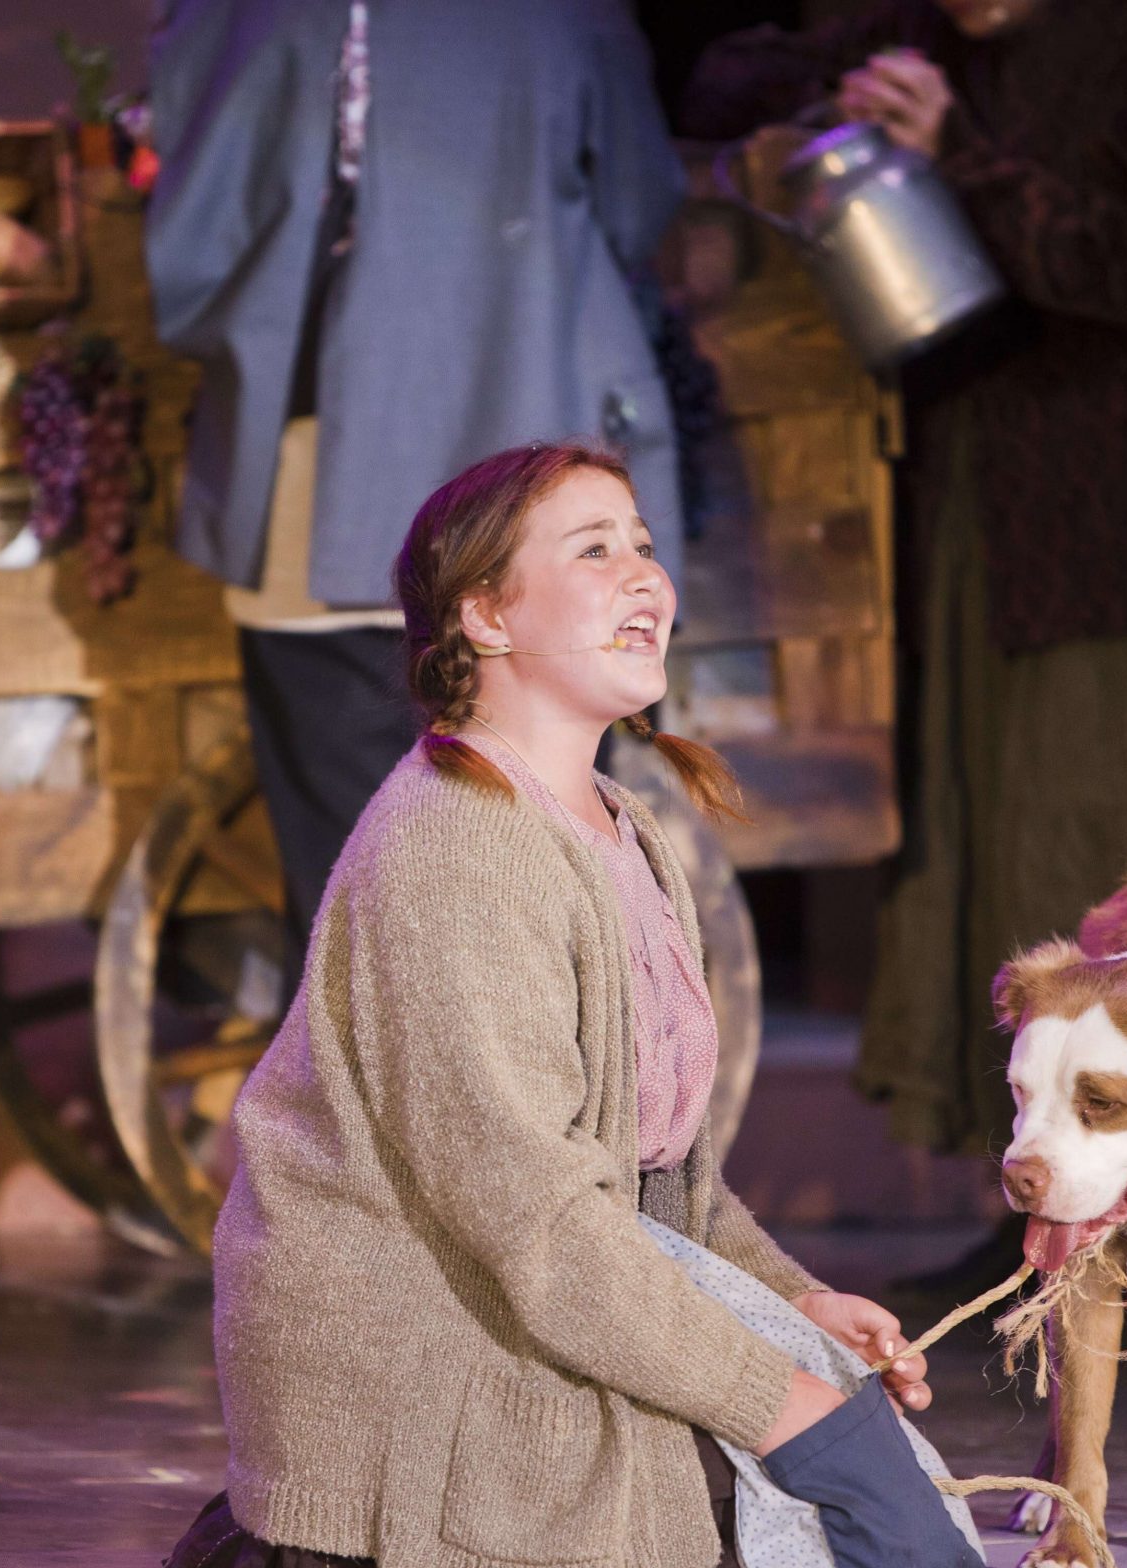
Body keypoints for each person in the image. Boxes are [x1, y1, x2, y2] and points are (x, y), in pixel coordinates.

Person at [148, 444, 957, 1568]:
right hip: (437, 1342)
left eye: (643, 544)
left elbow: (655, 1179)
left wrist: (795, 1303)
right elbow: (535, 1219)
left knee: (907, 1541)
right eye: (593, 549)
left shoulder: (621, 827)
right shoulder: (455, 846)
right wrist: (778, 1398)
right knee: (814, 1545)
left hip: (547, 1286)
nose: (644, 576)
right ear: (483, 614)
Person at [683, 0, 1127, 1294]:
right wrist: (837, 94)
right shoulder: (936, 33)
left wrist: (962, 155)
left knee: (1111, 861)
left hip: (1118, 536)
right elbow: (726, 77)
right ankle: (1045, 1210)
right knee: (1001, 858)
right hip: (979, 525)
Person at [145, 1, 688, 969]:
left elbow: (195, 247)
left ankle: (385, 1062)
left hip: (331, 491)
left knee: (348, 898)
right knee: (545, 877)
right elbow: (640, 204)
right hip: (539, 520)